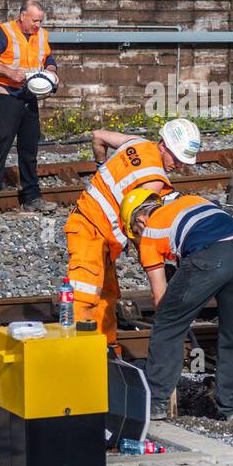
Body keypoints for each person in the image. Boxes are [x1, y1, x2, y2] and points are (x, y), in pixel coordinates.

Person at [120, 190, 233, 422]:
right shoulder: (192, 201)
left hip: (210, 255)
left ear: (140, 219)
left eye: (136, 233)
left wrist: (174, 312)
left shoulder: (151, 230)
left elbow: (160, 298)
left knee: (167, 325)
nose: (139, 237)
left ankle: (156, 403)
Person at [64, 118, 202, 349]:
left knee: (106, 298)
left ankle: (106, 354)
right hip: (91, 233)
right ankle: (78, 358)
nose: (179, 166)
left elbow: (97, 136)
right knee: (84, 296)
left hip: (93, 231)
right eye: (177, 159)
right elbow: (141, 227)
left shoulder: (137, 143)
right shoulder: (153, 181)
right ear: (163, 146)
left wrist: (100, 165)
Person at [0, 0, 59, 217]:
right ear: (22, 16)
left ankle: (32, 197)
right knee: (0, 146)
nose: (37, 25)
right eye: (34, 20)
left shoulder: (41, 35)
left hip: (29, 96)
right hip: (8, 95)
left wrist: (51, 69)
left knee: (29, 149)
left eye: (40, 21)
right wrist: (9, 73)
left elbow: (47, 57)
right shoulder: (4, 31)